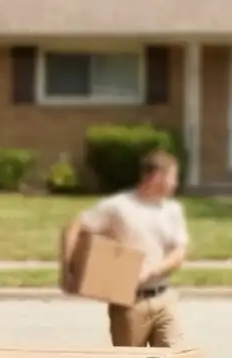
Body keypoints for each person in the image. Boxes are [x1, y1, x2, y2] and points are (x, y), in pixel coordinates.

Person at [61, 149, 189, 347]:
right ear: (156, 177)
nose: (175, 183)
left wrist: (152, 270)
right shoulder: (118, 207)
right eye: (173, 177)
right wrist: (68, 271)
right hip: (129, 303)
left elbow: (179, 252)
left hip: (164, 297)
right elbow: (74, 227)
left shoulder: (173, 210)